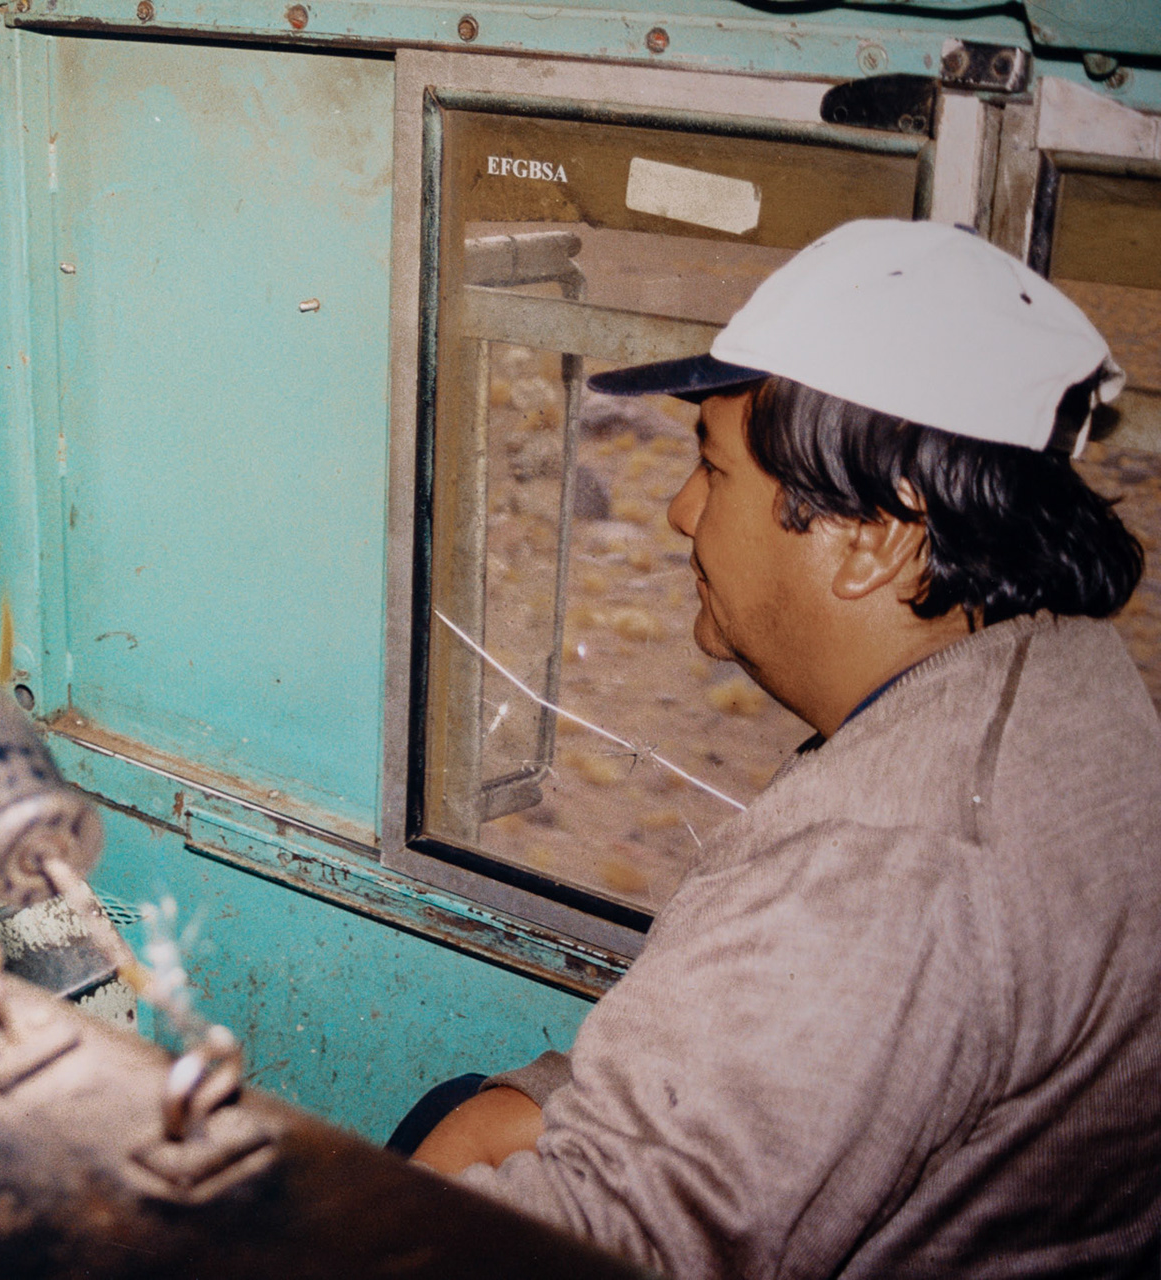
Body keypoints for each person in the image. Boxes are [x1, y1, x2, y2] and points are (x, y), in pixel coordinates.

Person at [402, 219, 1161, 1276]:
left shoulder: (883, 867)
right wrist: (518, 1105)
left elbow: (604, 1245)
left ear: (875, 536)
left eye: (711, 466)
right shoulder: (1066, 675)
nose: (676, 511)